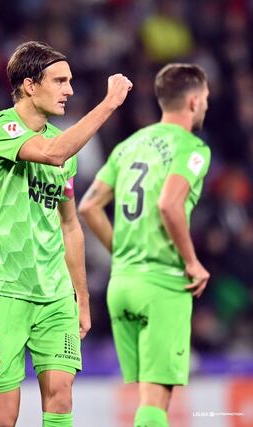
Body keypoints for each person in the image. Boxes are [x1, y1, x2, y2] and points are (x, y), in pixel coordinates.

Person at [0, 40, 132, 427]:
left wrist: (82, 298)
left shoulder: (67, 148)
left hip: (54, 295)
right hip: (1, 289)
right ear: (29, 85)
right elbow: (52, 152)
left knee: (61, 397)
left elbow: (70, 225)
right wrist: (108, 104)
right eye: (59, 81)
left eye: (70, 81)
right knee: (3, 417)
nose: (69, 90)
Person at [79, 63, 211, 427]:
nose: (207, 107)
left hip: (122, 284)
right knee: (155, 404)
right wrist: (192, 262)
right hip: (162, 284)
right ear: (194, 100)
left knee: (145, 401)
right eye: (206, 100)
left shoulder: (128, 146)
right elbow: (169, 203)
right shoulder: (192, 147)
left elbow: (89, 206)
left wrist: (121, 253)